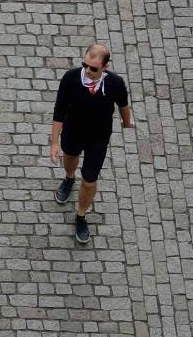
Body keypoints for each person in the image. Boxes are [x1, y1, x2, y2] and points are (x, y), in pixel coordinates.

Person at [50, 43, 133, 244]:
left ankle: (81, 216)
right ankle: (69, 178)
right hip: (73, 132)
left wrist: (126, 122)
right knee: (70, 157)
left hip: (98, 138)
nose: (87, 70)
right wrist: (54, 143)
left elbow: (123, 104)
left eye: (93, 68)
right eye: (85, 65)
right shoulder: (71, 78)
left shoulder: (115, 83)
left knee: (89, 181)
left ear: (105, 67)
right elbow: (59, 110)